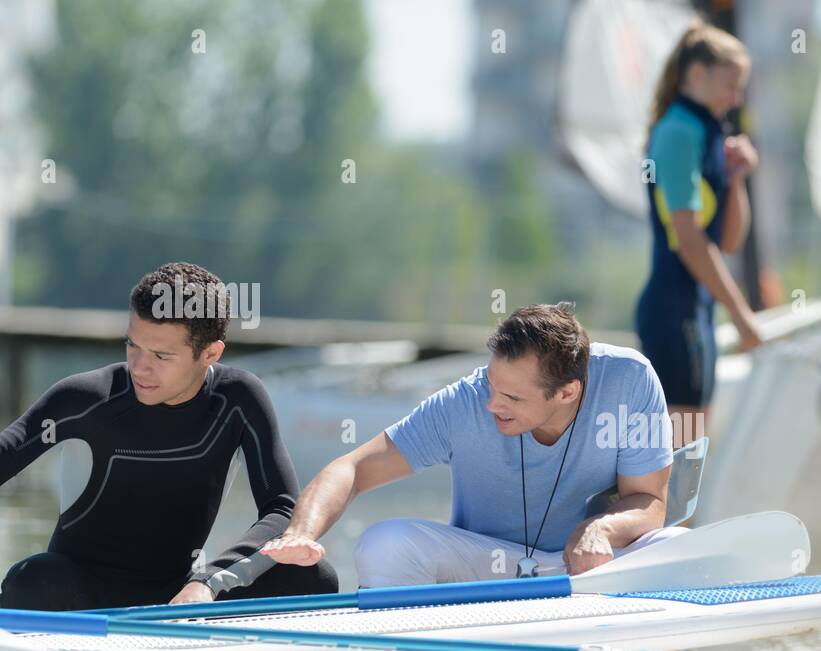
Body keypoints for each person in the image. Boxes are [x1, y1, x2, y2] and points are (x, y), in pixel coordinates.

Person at [260, 303, 684, 586]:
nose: (491, 404)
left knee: (675, 549)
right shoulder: (464, 402)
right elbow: (352, 468)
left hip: (590, 567)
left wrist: (599, 529)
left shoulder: (630, 379)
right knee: (383, 543)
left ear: (568, 392)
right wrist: (299, 534)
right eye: (491, 384)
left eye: (513, 398)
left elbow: (649, 501)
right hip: (490, 568)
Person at [0, 262, 338, 610]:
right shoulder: (85, 399)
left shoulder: (238, 399)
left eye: (161, 356)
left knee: (313, 577)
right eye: (133, 345)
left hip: (179, 596)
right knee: (31, 578)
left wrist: (209, 581)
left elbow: (282, 509)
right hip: (78, 595)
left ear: (210, 354)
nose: (139, 368)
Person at [634, 21, 764, 450]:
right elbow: (689, 242)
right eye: (732, 84)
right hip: (674, 313)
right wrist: (744, 316)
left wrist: (738, 179)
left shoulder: (711, 131)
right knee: (677, 457)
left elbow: (728, 242)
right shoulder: (677, 132)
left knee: (690, 454)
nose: (736, 98)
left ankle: (680, 522)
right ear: (697, 74)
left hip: (699, 312)